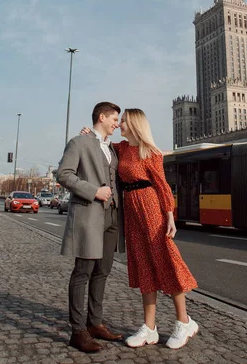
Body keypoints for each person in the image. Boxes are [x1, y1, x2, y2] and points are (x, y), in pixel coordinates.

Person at [82, 108, 198, 349]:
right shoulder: (122, 149)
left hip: (150, 207)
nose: (119, 124)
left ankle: (184, 321)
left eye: (122, 120)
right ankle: (149, 327)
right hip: (132, 213)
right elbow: (102, 143)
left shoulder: (150, 152)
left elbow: (162, 186)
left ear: (134, 123)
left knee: (165, 261)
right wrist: (89, 134)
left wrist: (169, 216)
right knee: (144, 266)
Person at [57, 101, 125, 353]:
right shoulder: (79, 142)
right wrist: (93, 191)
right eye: (114, 119)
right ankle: (78, 331)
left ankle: (95, 322)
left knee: (103, 270)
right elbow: (63, 174)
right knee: (82, 271)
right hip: (89, 215)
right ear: (102, 117)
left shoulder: (112, 149)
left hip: (112, 217)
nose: (117, 124)